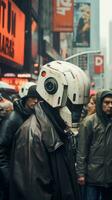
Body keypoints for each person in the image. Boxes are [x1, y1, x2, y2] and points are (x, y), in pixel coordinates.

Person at [9, 60, 90, 200]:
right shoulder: (32, 134)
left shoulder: (58, 128)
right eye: (74, 106)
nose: (77, 112)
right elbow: (35, 192)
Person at [0, 82, 38, 200]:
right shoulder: (13, 119)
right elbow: (1, 152)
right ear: (26, 99)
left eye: (38, 98)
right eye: (32, 97)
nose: (35, 101)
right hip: (13, 178)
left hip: (25, 178)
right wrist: (8, 179)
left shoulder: (34, 117)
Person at [76, 89, 112, 200]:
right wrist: (81, 174)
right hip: (92, 177)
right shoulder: (89, 122)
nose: (110, 105)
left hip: (109, 177)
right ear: (100, 103)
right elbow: (82, 150)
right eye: (106, 102)